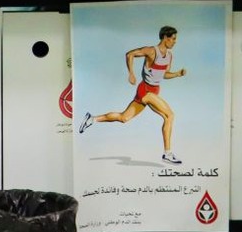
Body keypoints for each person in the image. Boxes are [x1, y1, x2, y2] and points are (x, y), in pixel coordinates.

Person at [80, 26, 187, 163]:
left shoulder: (169, 56)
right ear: (165, 38)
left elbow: (164, 74)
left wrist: (177, 74)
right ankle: (167, 153)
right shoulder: (151, 51)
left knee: (124, 118)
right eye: (173, 39)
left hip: (153, 91)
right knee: (170, 115)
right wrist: (131, 73)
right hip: (146, 91)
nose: (175, 42)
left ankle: (92, 119)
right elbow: (129, 54)